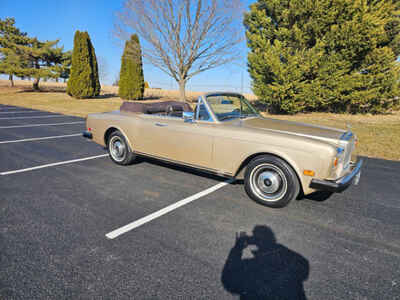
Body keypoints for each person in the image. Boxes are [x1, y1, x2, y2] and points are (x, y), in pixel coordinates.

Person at [221, 225, 309, 300]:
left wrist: (237, 248)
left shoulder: (251, 268)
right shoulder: (292, 267)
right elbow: (303, 264)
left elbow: (228, 278)